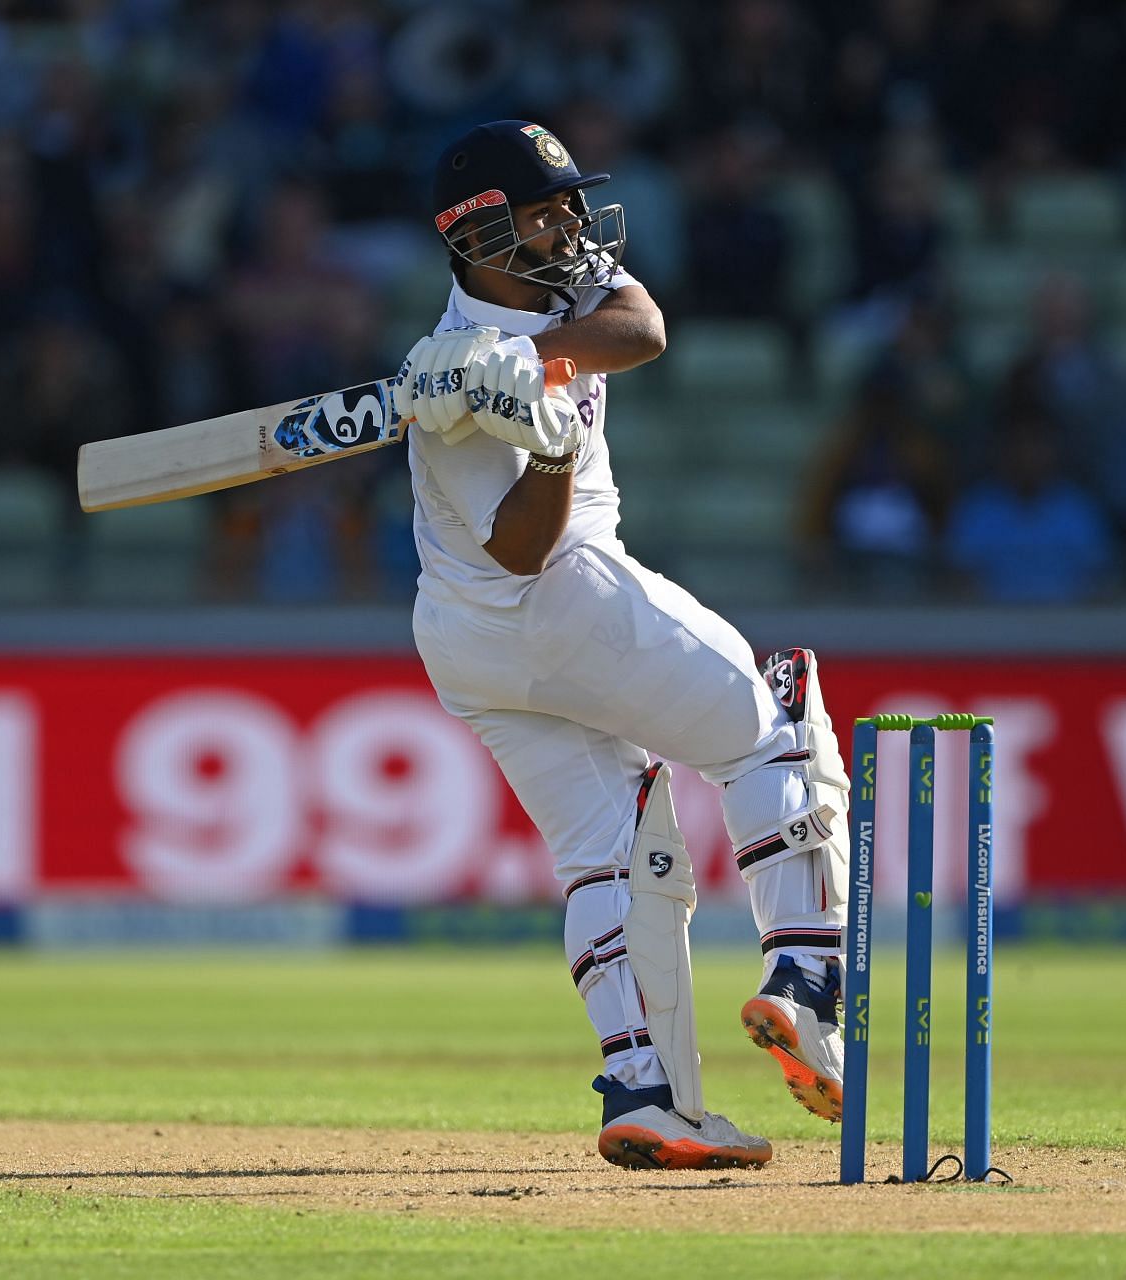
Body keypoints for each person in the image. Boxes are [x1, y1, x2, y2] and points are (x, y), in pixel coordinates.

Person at [391, 120, 850, 1171]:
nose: (571, 222)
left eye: (568, 200)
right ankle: (808, 979)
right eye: (546, 207)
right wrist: (543, 446)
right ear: (479, 232)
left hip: (468, 647)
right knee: (770, 714)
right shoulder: (445, 391)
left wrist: (530, 364)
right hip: (546, 595)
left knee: (617, 850)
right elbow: (517, 551)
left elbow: (641, 328)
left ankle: (646, 1092)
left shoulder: (554, 297)